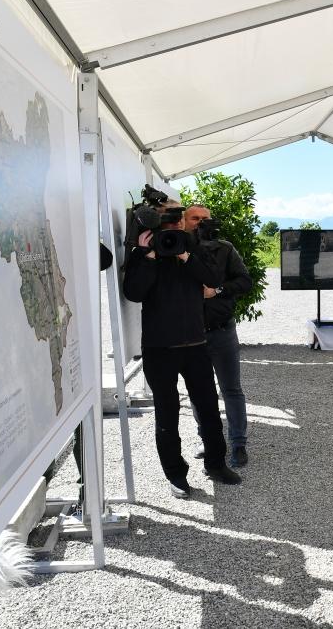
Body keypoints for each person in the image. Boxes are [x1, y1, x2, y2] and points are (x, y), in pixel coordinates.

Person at [122, 201, 242, 497]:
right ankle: (176, 475)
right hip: (159, 348)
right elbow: (134, 292)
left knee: (209, 408)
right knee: (167, 414)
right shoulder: (143, 254)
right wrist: (150, 255)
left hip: (196, 345)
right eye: (169, 218)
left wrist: (186, 255)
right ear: (157, 222)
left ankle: (216, 464)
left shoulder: (194, 248)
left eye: (179, 218)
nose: (175, 223)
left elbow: (213, 280)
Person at [183, 204, 253, 468]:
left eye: (205, 218)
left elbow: (244, 281)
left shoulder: (225, 249)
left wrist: (217, 290)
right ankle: (207, 440)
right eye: (195, 218)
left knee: (231, 389)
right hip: (191, 335)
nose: (200, 223)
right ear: (183, 221)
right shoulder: (177, 249)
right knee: (198, 392)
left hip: (222, 331)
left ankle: (238, 444)